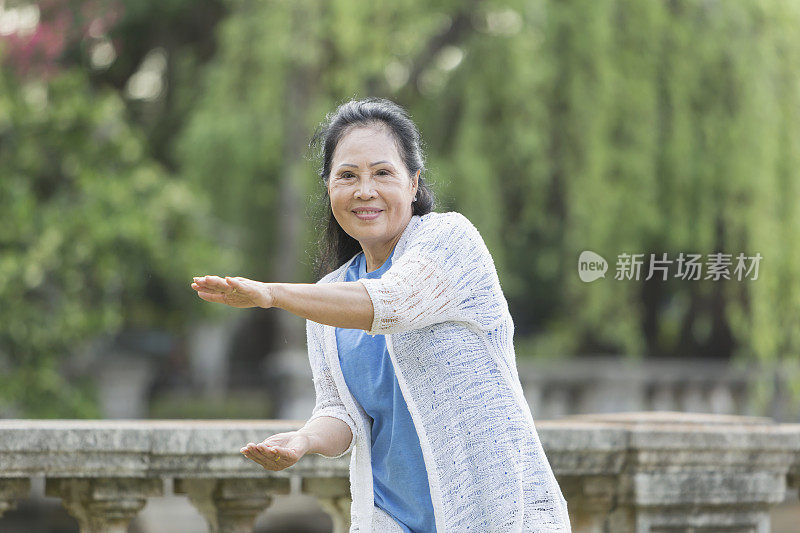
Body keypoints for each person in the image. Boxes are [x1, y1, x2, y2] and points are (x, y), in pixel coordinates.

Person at [190, 97, 572, 532]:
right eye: (347, 176)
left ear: (413, 184)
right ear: (329, 187)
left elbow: (392, 303)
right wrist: (304, 440)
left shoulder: (452, 242)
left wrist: (272, 294)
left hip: (495, 516)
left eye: (383, 173)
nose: (364, 190)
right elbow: (343, 414)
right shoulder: (328, 297)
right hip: (389, 520)